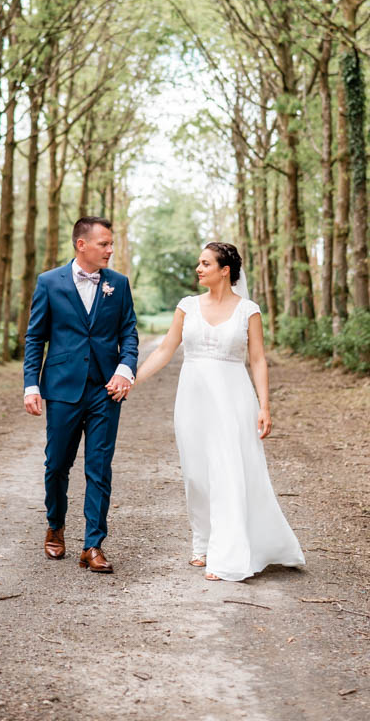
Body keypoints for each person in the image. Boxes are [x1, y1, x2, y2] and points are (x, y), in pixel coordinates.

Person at [135, 240, 305, 582]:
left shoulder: (248, 310)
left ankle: (227, 553)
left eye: (205, 264)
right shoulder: (187, 306)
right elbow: (166, 349)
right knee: (196, 473)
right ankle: (202, 542)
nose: (198, 269)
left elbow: (257, 360)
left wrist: (265, 406)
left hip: (234, 399)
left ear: (225, 271)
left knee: (228, 470)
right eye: (199, 263)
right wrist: (132, 379)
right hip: (192, 399)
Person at [24, 216, 138, 574]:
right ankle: (55, 525)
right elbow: (35, 338)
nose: (110, 249)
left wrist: (124, 369)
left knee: (99, 467)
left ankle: (93, 544)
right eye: (104, 243)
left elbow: (129, 333)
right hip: (61, 389)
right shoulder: (48, 282)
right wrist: (31, 385)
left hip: (106, 390)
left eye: (111, 243)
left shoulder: (118, 284)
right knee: (57, 464)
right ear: (81, 245)